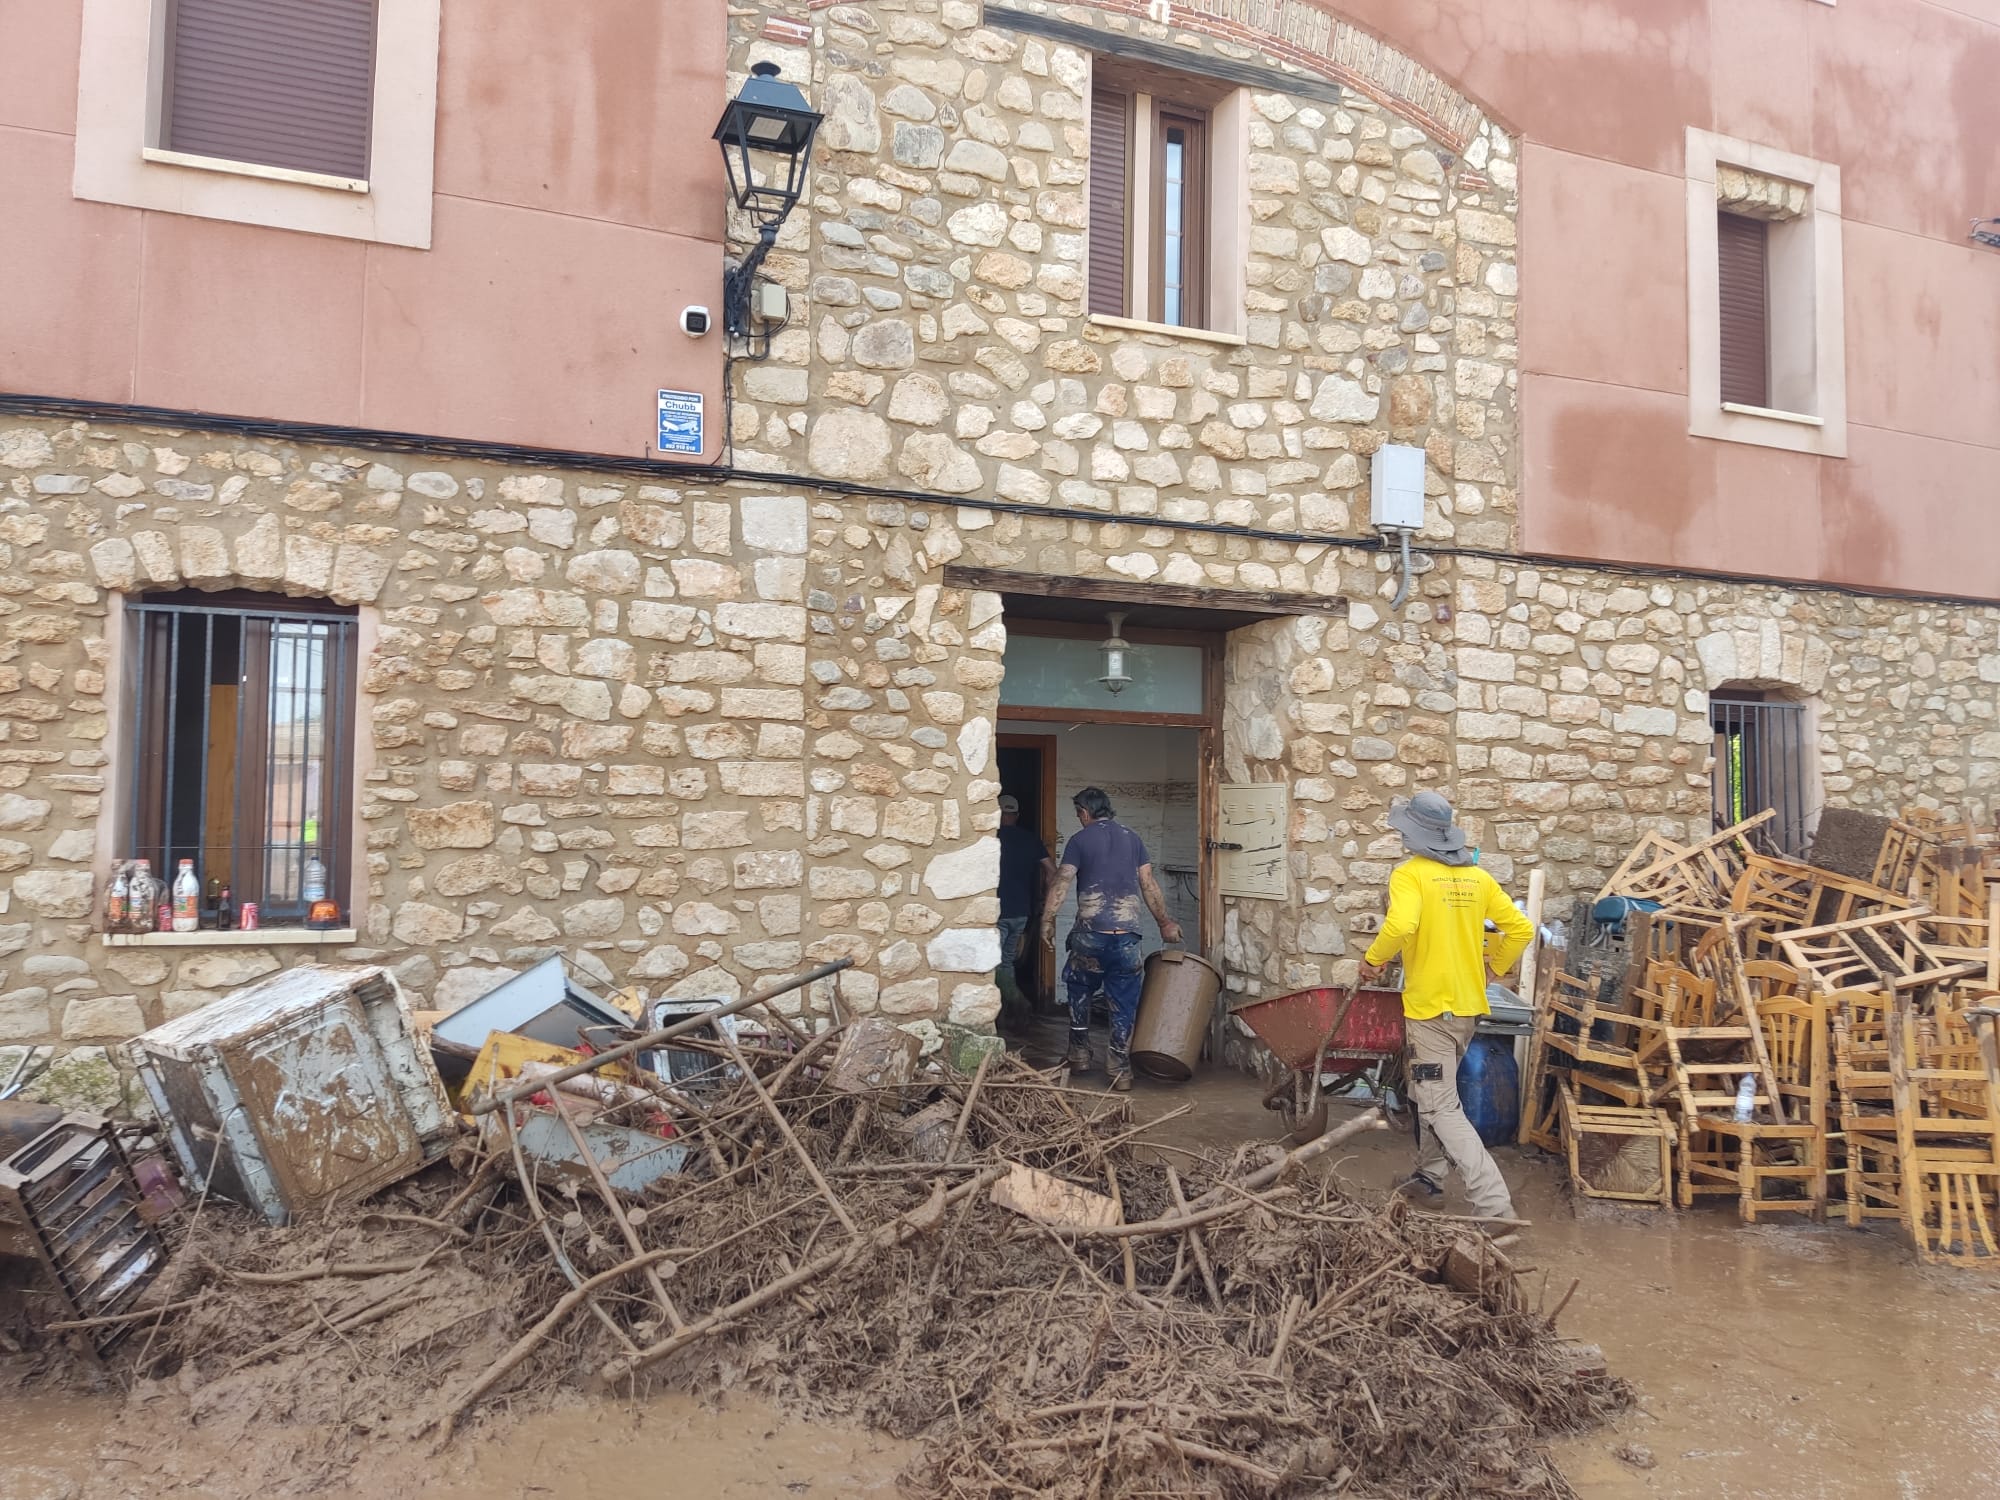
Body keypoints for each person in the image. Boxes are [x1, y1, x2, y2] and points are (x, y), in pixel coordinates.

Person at [1356, 790, 1533, 1238]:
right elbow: (1521, 928)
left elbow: (1399, 926)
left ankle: (1494, 1208)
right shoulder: (1478, 879)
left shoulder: (1410, 876)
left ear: (1413, 835)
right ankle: (1429, 1176)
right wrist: (1494, 968)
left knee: (1441, 1103)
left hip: (1430, 1008)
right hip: (1467, 1006)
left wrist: (1373, 961)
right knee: (1425, 1090)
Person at [1039, 787, 1181, 1091]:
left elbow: (1062, 881)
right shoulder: (1133, 838)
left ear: (1085, 812)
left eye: (1079, 813)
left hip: (1091, 935)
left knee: (1078, 988)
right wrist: (1165, 923)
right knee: (1124, 1003)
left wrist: (1047, 920)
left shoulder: (1079, 841)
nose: (1079, 819)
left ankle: (1078, 1054)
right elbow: (1148, 883)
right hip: (1128, 937)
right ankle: (1120, 1069)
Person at [993, 794, 1051, 1023]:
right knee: (1006, 961)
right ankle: (1007, 1012)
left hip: (996, 911)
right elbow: (1052, 871)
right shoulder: (1031, 840)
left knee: (995, 963)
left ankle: (1017, 1002)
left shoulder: (991, 839)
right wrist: (1047, 901)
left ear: (996, 814)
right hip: (1021, 913)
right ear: (1016, 816)